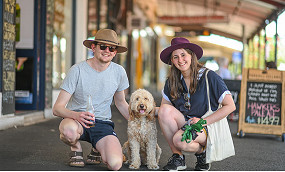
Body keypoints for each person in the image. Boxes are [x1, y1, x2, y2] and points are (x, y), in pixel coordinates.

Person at [52, 29, 129, 170]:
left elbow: (121, 103)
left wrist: (138, 122)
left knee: (115, 164)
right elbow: (57, 108)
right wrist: (76, 115)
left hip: (103, 124)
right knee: (69, 132)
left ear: (115, 52)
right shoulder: (77, 70)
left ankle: (97, 148)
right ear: (93, 47)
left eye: (111, 48)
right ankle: (76, 149)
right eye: (103, 46)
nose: (107, 50)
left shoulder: (119, 72)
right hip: (76, 121)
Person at [158, 37, 236, 171]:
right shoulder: (172, 81)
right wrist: (140, 108)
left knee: (179, 140)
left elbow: (230, 106)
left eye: (183, 55)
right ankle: (178, 158)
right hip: (187, 123)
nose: (180, 60)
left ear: (191, 56)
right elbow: (164, 109)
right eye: (175, 57)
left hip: (208, 126)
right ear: (171, 61)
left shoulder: (209, 77)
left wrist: (203, 122)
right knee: (164, 110)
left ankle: (202, 154)